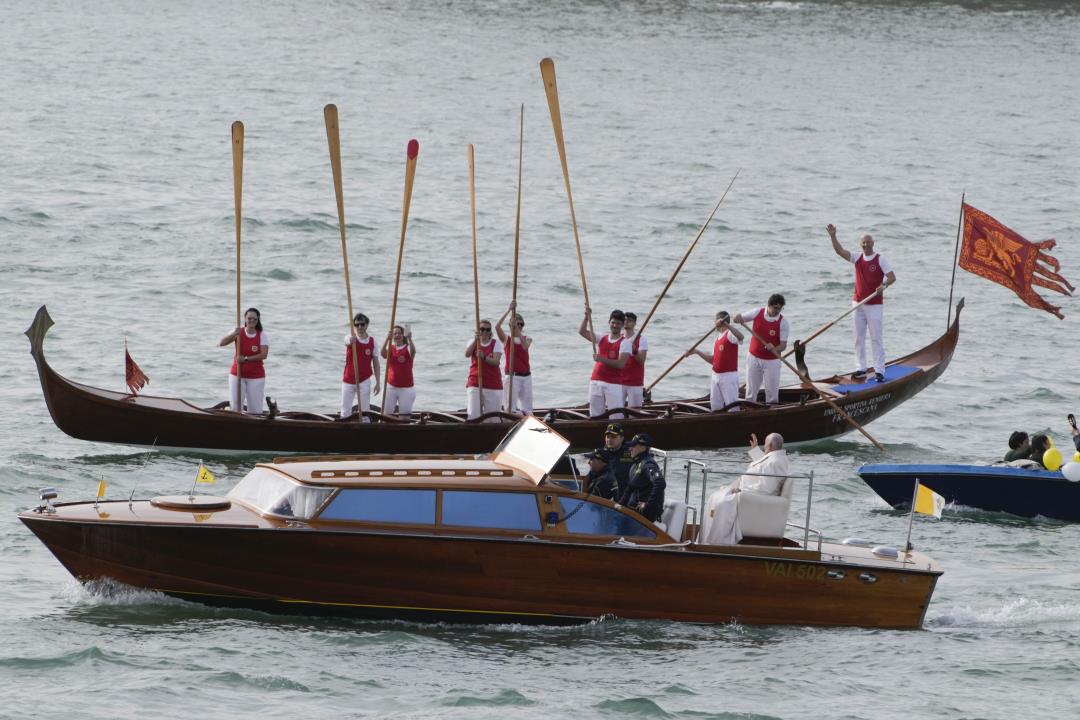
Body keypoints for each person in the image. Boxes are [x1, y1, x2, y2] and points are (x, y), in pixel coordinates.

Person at [827, 224, 897, 383]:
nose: (866, 245)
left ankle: (879, 370)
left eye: (868, 242)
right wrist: (833, 236)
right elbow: (839, 251)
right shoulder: (857, 257)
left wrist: (884, 285)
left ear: (873, 243)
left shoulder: (880, 259)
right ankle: (861, 368)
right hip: (858, 304)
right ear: (861, 245)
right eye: (863, 243)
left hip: (875, 305)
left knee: (876, 338)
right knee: (858, 337)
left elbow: (892, 277)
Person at [701, 432, 790, 545]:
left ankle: (716, 541)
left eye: (765, 444)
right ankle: (709, 539)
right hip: (745, 491)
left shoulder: (775, 462)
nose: (764, 447)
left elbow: (766, 488)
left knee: (720, 503)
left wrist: (742, 490)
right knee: (715, 498)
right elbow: (762, 467)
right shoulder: (774, 458)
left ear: (770, 446)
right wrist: (755, 451)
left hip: (750, 495)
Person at [733, 295, 788, 404]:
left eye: (780, 308)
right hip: (753, 357)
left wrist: (775, 348)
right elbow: (736, 319)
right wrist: (737, 317)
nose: (778, 311)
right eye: (775, 308)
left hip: (772, 361)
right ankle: (749, 409)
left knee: (772, 393)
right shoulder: (757, 312)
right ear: (769, 305)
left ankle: (772, 411)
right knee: (750, 390)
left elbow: (783, 346)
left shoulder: (783, 322)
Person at [579, 306, 630, 418]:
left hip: (613, 384)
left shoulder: (625, 343)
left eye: (618, 323)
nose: (615, 325)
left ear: (622, 325)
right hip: (596, 381)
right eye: (613, 322)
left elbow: (620, 364)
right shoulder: (602, 337)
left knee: (616, 416)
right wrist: (587, 317)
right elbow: (582, 332)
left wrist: (601, 359)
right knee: (595, 415)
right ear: (609, 322)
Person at [689, 311, 745, 411]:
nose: (714, 324)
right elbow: (713, 360)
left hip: (728, 377)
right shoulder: (717, 339)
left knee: (732, 406)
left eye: (715, 321)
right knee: (715, 406)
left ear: (720, 321)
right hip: (715, 376)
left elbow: (741, 336)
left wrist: (727, 325)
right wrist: (696, 352)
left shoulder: (729, 334)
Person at [219, 307, 269, 414]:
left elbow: (264, 355)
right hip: (237, 375)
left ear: (258, 320)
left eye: (255, 319)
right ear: (245, 319)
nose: (252, 321)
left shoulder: (262, 335)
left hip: (256, 377)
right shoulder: (238, 331)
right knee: (236, 409)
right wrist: (233, 335)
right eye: (249, 318)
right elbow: (221, 343)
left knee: (255, 410)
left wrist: (246, 359)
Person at [340, 313, 380, 420]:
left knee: (365, 411)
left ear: (367, 325)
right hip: (348, 379)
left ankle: (365, 428)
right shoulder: (350, 337)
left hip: (364, 380)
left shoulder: (372, 342)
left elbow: (376, 362)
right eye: (357, 325)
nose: (360, 327)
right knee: (345, 411)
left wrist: (378, 382)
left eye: (362, 324)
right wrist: (350, 341)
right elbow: (347, 341)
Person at [618, 433, 666, 523]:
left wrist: (648, 505)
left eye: (633, 446)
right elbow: (629, 489)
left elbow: (660, 483)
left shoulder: (648, 464)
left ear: (643, 447)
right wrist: (617, 507)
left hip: (643, 518)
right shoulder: (635, 466)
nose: (630, 448)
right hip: (632, 513)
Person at [495, 305, 533, 417]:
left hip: (526, 377)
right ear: (510, 325)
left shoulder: (527, 338)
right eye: (517, 324)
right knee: (509, 410)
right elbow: (497, 327)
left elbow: (525, 347)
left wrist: (517, 330)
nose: (519, 326)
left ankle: (524, 419)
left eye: (521, 324)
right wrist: (509, 310)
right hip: (512, 377)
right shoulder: (507, 339)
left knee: (528, 410)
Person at [465, 319, 503, 421]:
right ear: (478, 330)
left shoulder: (496, 344)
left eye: (487, 330)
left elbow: (496, 362)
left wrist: (484, 357)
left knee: (493, 419)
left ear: (490, 332)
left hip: (493, 384)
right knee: (473, 415)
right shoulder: (472, 342)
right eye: (482, 329)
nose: (484, 332)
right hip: (475, 383)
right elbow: (467, 354)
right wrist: (475, 340)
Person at [381, 324, 416, 419]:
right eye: (395, 333)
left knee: (404, 418)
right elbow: (383, 354)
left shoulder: (407, 347)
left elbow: (413, 353)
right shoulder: (391, 348)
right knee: (386, 415)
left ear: (403, 335)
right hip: (391, 387)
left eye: (399, 333)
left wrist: (410, 339)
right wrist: (387, 339)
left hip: (406, 389)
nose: (397, 335)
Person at [621, 311, 649, 409]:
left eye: (629, 320)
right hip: (618, 382)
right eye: (624, 320)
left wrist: (635, 351)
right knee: (616, 411)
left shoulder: (642, 339)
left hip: (635, 382)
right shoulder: (619, 338)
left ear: (634, 323)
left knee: (635, 413)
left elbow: (641, 361)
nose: (626, 322)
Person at [600, 422, 634, 497]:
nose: (609, 439)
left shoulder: (631, 451)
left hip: (626, 496)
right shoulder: (601, 454)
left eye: (613, 437)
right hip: (606, 496)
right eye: (607, 437)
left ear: (622, 438)